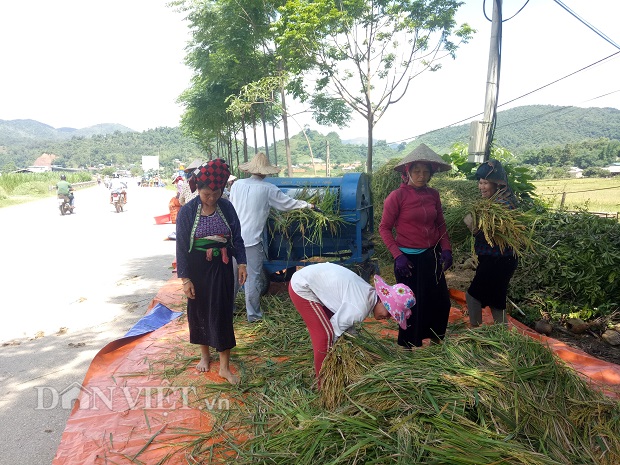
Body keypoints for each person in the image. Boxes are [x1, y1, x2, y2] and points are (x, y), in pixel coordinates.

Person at [176, 159, 248, 385]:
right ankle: (205, 356)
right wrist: (185, 278)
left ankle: (225, 367)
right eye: (207, 194)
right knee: (199, 310)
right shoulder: (188, 212)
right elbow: (180, 246)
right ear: (198, 189)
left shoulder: (226, 207)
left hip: (223, 265)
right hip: (198, 268)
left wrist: (243, 263)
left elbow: (236, 236)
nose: (212, 198)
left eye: (216, 193)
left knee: (223, 311)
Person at [289, 262, 415, 386]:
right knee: (325, 336)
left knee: (333, 334)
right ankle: (324, 385)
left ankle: (329, 375)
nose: (387, 318)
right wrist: (336, 354)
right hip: (303, 286)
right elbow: (335, 328)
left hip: (316, 283)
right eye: (389, 312)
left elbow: (347, 323)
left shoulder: (368, 295)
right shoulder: (360, 307)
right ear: (382, 300)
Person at [379, 143, 453, 348]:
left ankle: (437, 342)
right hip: (408, 261)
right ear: (408, 172)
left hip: (432, 257)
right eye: (417, 171)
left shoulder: (433, 195)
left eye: (426, 172)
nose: (422, 176)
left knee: (440, 302)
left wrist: (446, 249)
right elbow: (384, 228)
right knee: (411, 305)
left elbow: (440, 224)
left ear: (431, 174)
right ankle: (408, 346)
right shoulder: (397, 197)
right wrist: (397, 256)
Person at [229, 152, 315, 323]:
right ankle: (253, 315)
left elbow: (232, 205)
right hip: (251, 241)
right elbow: (288, 204)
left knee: (232, 275)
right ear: (266, 172)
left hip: (233, 238)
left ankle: (229, 309)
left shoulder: (236, 185)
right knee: (252, 277)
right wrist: (307, 205)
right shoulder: (268, 188)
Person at [465, 159, 519, 326]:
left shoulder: (502, 206)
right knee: (497, 299)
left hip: (498, 260)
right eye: (480, 182)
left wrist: (474, 229)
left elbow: (495, 235)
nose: (481, 187)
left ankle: (476, 332)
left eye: (486, 183)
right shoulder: (496, 203)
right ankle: (502, 335)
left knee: (473, 296)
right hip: (500, 259)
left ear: (498, 184)